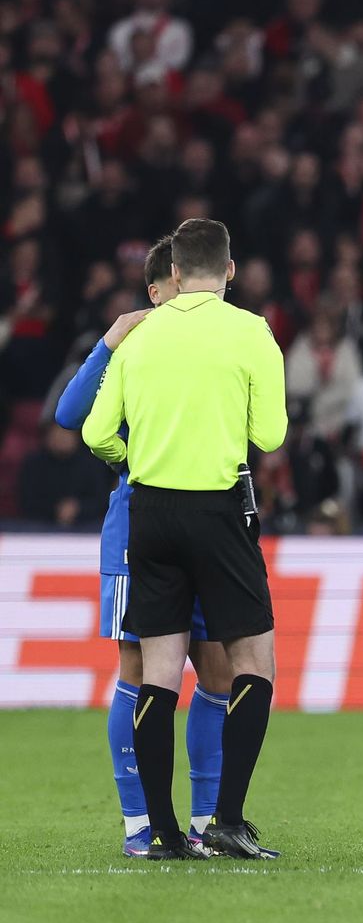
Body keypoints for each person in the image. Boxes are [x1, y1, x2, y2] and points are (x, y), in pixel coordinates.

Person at [82, 218, 286, 861]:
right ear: (229, 271)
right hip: (218, 511)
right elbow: (272, 434)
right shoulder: (251, 331)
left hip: (152, 513)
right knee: (252, 664)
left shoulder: (142, 335)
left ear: (173, 275)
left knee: (158, 672)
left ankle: (163, 831)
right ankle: (224, 819)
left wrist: (138, 458)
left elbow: (94, 433)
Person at [54, 235, 232, 857]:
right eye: (174, 289)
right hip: (139, 525)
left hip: (207, 520)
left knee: (217, 669)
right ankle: (138, 822)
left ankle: (208, 822)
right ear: (158, 290)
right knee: (137, 668)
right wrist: (111, 338)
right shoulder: (134, 346)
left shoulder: (216, 340)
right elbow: (71, 413)